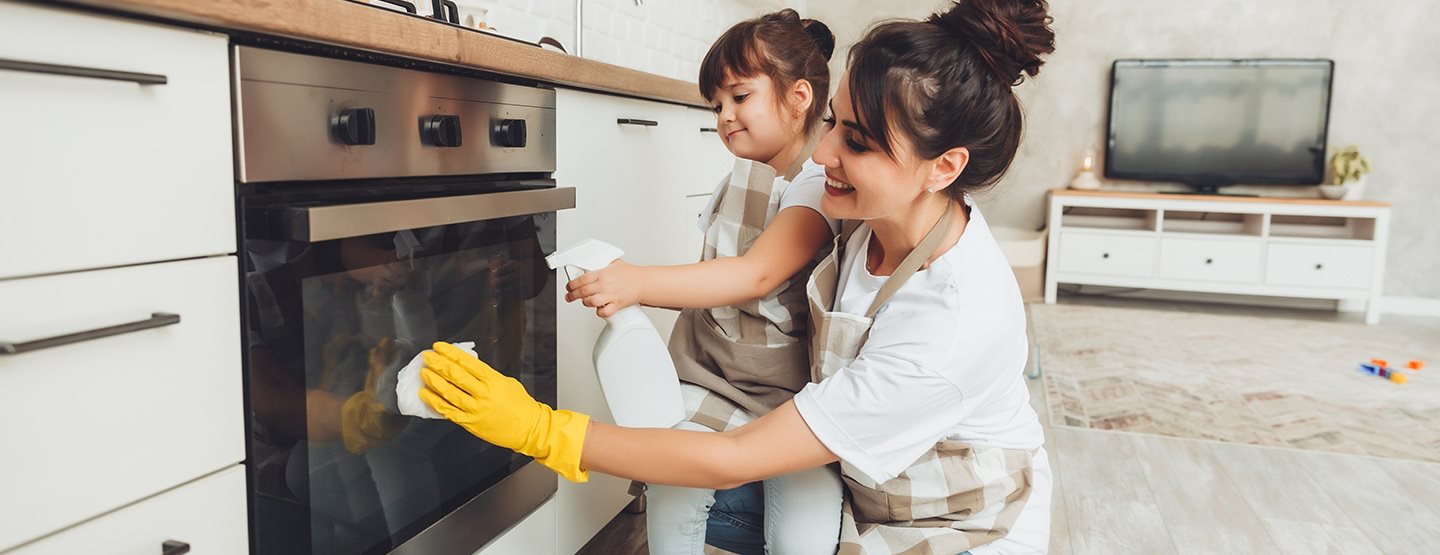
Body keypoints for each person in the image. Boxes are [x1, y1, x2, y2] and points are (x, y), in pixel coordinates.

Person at [418, 0, 1057, 552]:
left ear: (942, 168)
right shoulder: (857, 199)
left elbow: (735, 458)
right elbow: (755, 276)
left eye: (857, 142)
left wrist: (541, 430)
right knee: (669, 478)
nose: (825, 153)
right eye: (833, 122)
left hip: (953, 523)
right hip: (871, 477)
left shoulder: (951, 324)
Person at [563, 8, 843, 553]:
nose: (724, 116)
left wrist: (637, 282)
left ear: (799, 98)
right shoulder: (743, 175)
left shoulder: (815, 186)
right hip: (714, 375)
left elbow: (753, 274)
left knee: (802, 529)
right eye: (716, 104)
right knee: (675, 484)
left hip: (790, 401)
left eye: (740, 97)